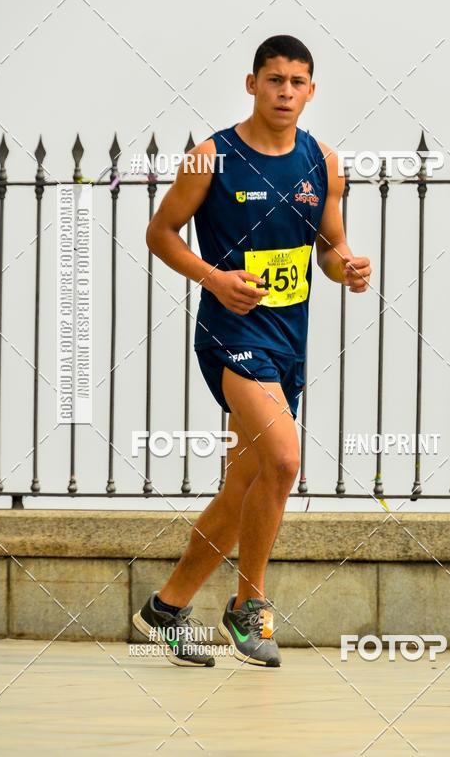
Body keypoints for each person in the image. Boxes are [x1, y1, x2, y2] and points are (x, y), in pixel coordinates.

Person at [132, 34, 371, 667]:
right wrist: (214, 277)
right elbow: (160, 233)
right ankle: (248, 609)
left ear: (311, 91)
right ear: (251, 84)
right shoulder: (210, 157)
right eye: (274, 80)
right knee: (286, 461)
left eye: (297, 82)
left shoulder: (324, 161)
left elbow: (329, 244)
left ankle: (167, 607)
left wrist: (344, 266)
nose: (285, 91)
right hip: (231, 336)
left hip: (289, 341)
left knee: (246, 483)